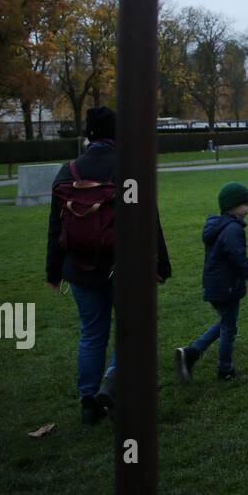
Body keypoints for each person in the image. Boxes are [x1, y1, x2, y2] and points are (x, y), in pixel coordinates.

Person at [46, 107, 173, 426]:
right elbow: (148, 221)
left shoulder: (68, 171)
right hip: (124, 267)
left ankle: (89, 403)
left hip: (79, 267)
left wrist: (53, 271)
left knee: (91, 334)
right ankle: (113, 388)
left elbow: (55, 226)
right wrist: (161, 263)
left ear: (89, 133)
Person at [175, 182, 248, 382]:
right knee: (229, 328)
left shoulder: (218, 224)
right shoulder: (233, 230)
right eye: (244, 204)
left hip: (216, 284)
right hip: (226, 287)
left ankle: (192, 353)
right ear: (232, 206)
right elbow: (241, 263)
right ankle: (224, 369)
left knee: (226, 322)